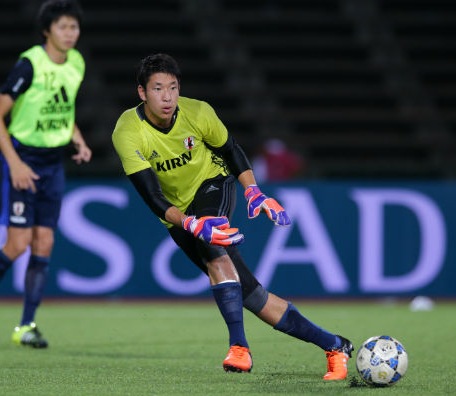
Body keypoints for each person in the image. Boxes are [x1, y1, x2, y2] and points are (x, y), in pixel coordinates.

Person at [111, 53, 353, 378]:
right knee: (253, 296)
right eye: (157, 89)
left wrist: (254, 191)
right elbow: (152, 197)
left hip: (214, 183)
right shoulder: (127, 131)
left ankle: (239, 347)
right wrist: (189, 223)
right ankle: (335, 345)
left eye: (173, 87)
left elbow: (231, 151)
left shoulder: (198, 112)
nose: (167, 97)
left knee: (213, 245)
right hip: (176, 214)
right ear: (142, 93)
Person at [0, 0, 91, 349]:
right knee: (18, 245)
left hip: (53, 163)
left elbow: (64, 109)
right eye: (63, 27)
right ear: (47, 30)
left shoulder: (76, 62)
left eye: (74, 27)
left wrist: (76, 138)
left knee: (45, 242)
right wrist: (15, 164)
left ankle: (26, 326)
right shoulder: (29, 64)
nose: (70, 33)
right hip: (23, 159)